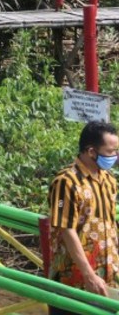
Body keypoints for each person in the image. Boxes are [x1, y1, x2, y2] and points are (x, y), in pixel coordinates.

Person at [47, 120, 119, 312]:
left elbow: (110, 224)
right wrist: (89, 275)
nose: (115, 156)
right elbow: (66, 229)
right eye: (111, 152)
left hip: (107, 279)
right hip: (74, 280)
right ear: (91, 152)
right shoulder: (67, 182)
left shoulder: (108, 180)